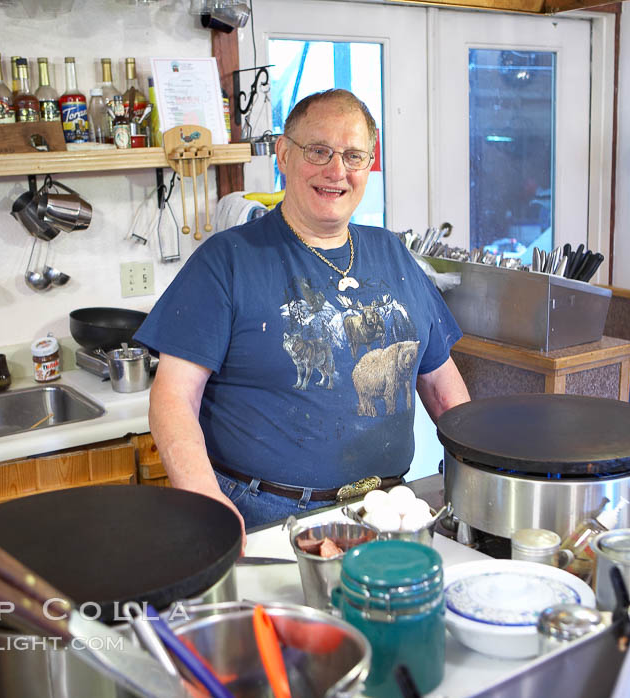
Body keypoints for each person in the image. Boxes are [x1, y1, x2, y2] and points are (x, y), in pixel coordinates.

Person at [137, 89, 470, 538]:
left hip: (390, 510)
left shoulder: (392, 252)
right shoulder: (227, 260)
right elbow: (173, 398)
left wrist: (477, 474)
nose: (337, 171)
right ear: (283, 154)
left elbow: (442, 387)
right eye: (319, 151)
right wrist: (204, 498)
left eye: (354, 156)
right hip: (268, 518)